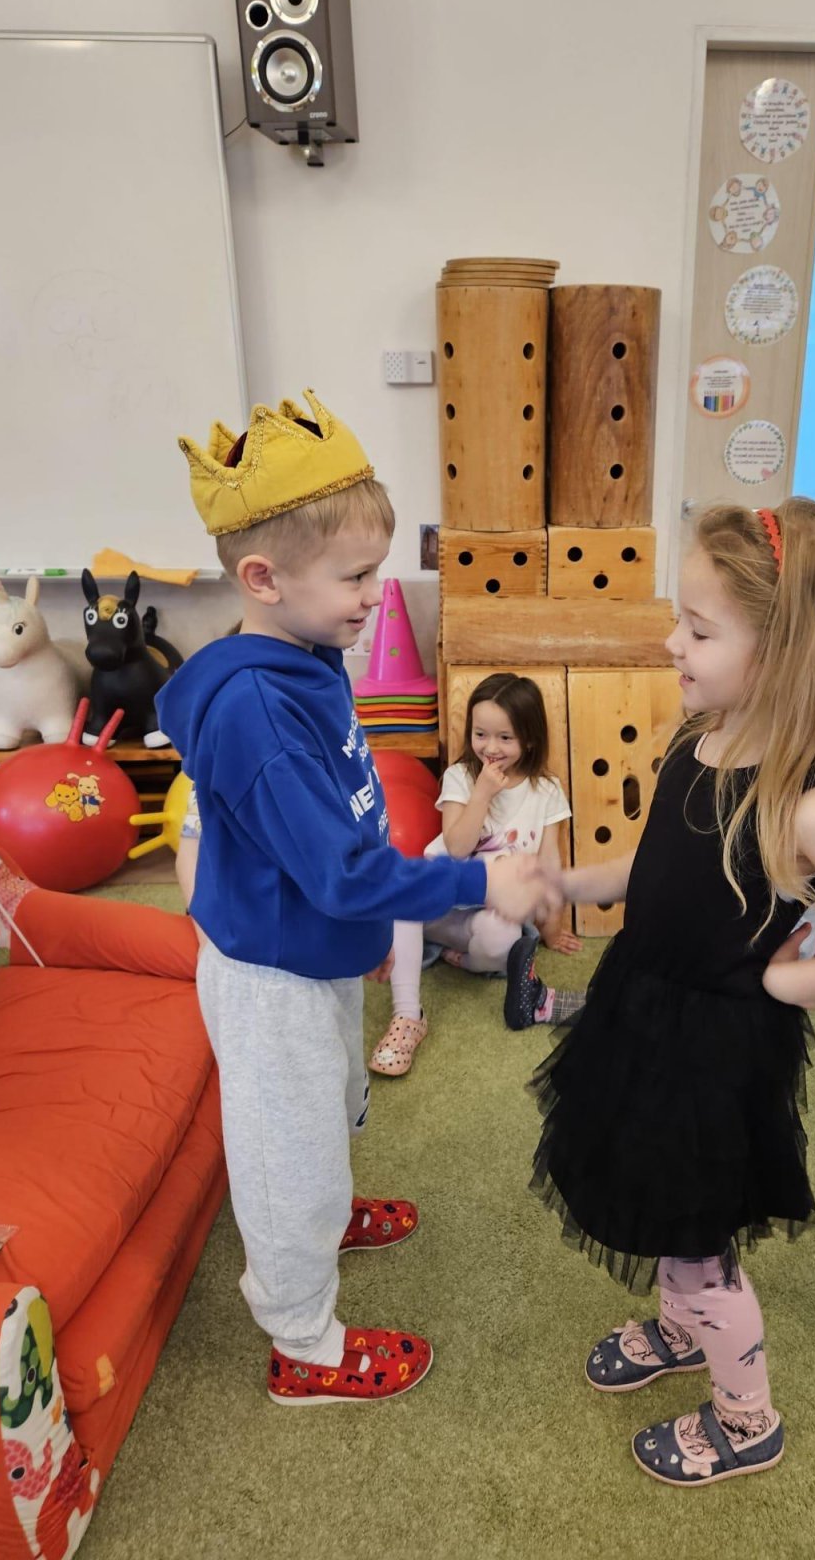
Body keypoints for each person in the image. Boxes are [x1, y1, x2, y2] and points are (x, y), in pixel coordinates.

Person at [530, 499, 815, 1487]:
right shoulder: (700, 737)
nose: (671, 642)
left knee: (699, 1241)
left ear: (786, 651)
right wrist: (568, 882)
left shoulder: (810, 804)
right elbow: (654, 865)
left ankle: (746, 1419)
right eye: (680, 620)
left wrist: (785, 979)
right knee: (664, 1203)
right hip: (643, 1009)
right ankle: (681, 1330)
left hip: (712, 1051)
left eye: (700, 629)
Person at [157, 391, 551, 1406]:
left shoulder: (311, 654)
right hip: (271, 972)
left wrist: (370, 924)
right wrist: (475, 877)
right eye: (357, 576)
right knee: (287, 1155)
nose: (379, 596)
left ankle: (326, 1218)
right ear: (264, 578)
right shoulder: (256, 711)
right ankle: (304, 1345)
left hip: (315, 945)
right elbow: (336, 868)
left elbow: (346, 818)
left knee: (332, 1105)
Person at [370, 673, 584, 1076]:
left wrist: (552, 927)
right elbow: (456, 848)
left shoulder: (546, 790)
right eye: (481, 734)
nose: (490, 747)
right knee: (403, 899)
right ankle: (406, 1016)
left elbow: (551, 862)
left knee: (505, 943)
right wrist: (482, 793)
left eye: (505, 737)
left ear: (530, 739)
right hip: (441, 896)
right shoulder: (461, 777)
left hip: (489, 911)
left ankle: (457, 957)